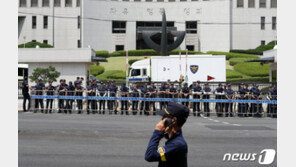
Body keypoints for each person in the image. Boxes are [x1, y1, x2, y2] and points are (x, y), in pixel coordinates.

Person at [145, 102, 189, 167]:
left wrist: (157, 132)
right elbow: (163, 156)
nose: (162, 120)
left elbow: (150, 155)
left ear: (173, 120)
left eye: (164, 117)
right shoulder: (173, 138)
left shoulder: (178, 144)